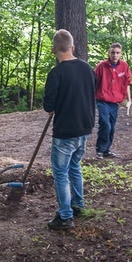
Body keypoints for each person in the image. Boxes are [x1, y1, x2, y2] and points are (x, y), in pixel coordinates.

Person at [42, 29, 97, 231]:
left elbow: (49, 106)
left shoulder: (56, 74)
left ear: (54, 50)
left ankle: (65, 216)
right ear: (72, 47)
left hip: (66, 132)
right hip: (85, 128)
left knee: (61, 173)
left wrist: (52, 107)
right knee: (75, 166)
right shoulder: (87, 68)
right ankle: (78, 205)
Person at [94, 43, 132, 159]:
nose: (115, 55)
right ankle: (100, 150)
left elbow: (127, 84)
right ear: (109, 53)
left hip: (115, 102)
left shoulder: (124, 66)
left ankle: (106, 150)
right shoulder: (101, 66)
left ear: (121, 54)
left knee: (112, 127)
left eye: (117, 53)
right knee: (105, 124)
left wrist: (129, 100)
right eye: (112, 52)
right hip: (102, 100)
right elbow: (94, 83)